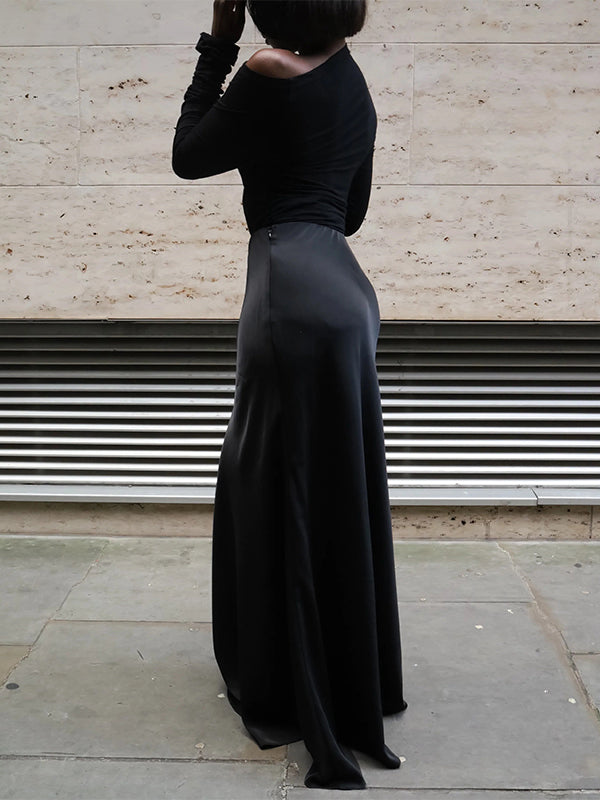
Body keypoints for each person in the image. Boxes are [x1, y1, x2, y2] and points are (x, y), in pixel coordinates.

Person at [172, 0, 408, 789]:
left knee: (276, 483)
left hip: (287, 293)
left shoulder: (266, 70)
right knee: (339, 484)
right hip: (347, 293)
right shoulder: (353, 79)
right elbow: (352, 212)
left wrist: (218, 44)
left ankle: (286, 684)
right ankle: (355, 681)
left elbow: (188, 157)